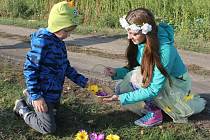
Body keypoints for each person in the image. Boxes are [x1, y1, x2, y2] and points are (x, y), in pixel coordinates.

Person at [103, 8, 206, 127]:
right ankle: (156, 105)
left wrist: (120, 98)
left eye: (134, 33)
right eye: (128, 32)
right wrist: (116, 72)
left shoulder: (165, 50)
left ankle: (155, 113)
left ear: (147, 32)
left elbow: (153, 89)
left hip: (176, 84)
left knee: (135, 80)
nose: (129, 37)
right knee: (122, 88)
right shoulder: (141, 42)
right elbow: (137, 67)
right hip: (156, 78)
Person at [13, 1, 89, 134]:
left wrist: (84, 82)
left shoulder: (59, 42)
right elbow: (30, 69)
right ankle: (22, 107)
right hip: (43, 92)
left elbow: (66, 67)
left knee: (54, 113)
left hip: (53, 93)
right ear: (56, 25)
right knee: (48, 128)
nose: (69, 35)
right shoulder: (42, 42)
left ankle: (30, 96)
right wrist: (37, 96)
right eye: (66, 31)